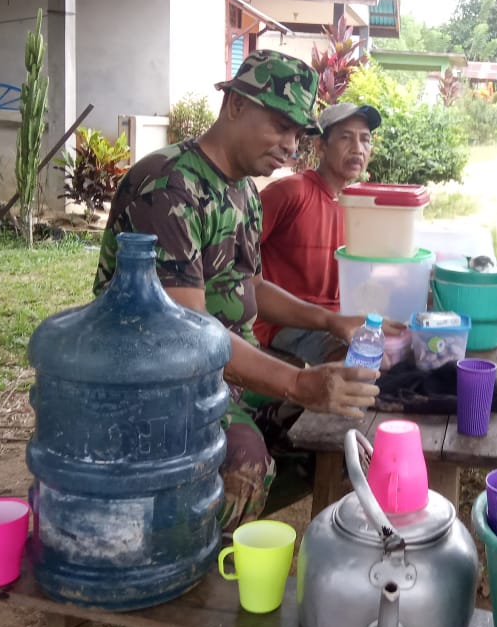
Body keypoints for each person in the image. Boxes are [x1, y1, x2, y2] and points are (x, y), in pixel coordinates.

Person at [93, 50, 381, 530]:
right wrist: (297, 382)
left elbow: (250, 285)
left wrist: (331, 321)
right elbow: (187, 334)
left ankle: (220, 526)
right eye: (280, 126)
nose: (290, 145)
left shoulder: (244, 190)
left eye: (298, 134)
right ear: (235, 106)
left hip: (228, 371)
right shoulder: (168, 185)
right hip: (156, 381)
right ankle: (179, 551)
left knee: (339, 429)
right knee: (246, 465)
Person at [253, 101, 385, 366]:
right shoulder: (290, 193)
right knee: (357, 361)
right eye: (345, 138)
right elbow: (234, 265)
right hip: (286, 324)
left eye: (365, 139)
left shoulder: (359, 206)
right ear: (320, 146)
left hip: (340, 318)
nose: (357, 149)